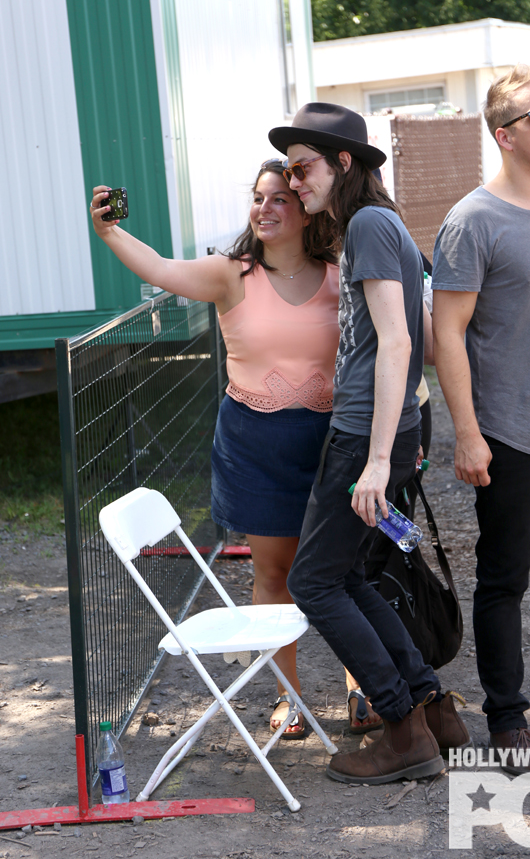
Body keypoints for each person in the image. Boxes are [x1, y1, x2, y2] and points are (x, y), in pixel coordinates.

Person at [90, 161, 342, 739]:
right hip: (255, 445)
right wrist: (109, 232)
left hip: (330, 444)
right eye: (258, 198)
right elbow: (160, 268)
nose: (266, 208)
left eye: (281, 198)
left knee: (348, 570)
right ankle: (290, 699)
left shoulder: (339, 274)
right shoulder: (232, 274)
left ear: (307, 208)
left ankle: (365, 691)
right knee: (274, 574)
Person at [268, 102, 469, 784]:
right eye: (288, 170)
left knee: (314, 581)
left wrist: (379, 459)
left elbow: (399, 341)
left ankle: (402, 728)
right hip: (382, 428)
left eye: (303, 168)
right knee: (349, 573)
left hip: (365, 435)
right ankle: (432, 709)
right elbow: (412, 327)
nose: (293, 183)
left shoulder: (373, 227)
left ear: (344, 162)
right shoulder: (373, 227)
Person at [432, 65, 530, 774]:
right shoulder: (471, 222)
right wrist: (467, 431)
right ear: (504, 136)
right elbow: (447, 334)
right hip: (510, 434)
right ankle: (508, 715)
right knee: (505, 578)